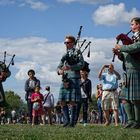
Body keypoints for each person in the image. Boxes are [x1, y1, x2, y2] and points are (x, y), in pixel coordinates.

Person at [113, 17, 140, 129]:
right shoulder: (133, 37)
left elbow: (137, 47)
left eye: (132, 24)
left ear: (138, 25)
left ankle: (138, 122)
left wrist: (122, 47)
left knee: (135, 99)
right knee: (124, 98)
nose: (131, 26)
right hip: (127, 71)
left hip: (136, 70)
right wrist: (119, 54)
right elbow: (126, 56)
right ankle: (130, 121)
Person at [57, 35, 84, 127]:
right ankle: (66, 121)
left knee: (72, 101)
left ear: (73, 43)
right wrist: (59, 71)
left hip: (74, 78)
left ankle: (72, 122)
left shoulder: (77, 52)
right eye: (65, 42)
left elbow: (81, 64)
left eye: (67, 42)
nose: (66, 44)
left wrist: (71, 67)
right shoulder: (65, 54)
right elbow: (59, 66)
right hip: (65, 79)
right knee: (62, 101)